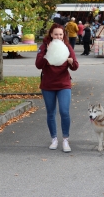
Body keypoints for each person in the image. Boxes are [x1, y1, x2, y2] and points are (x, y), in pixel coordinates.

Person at [35, 23, 79, 152]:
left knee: (64, 111)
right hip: (48, 84)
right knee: (51, 112)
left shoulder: (67, 47)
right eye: (56, 34)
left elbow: (75, 66)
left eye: (60, 34)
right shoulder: (44, 47)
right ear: (51, 35)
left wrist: (72, 62)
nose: (58, 37)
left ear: (63, 35)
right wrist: (47, 53)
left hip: (63, 84)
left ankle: (65, 139)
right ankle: (54, 139)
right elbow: (38, 65)